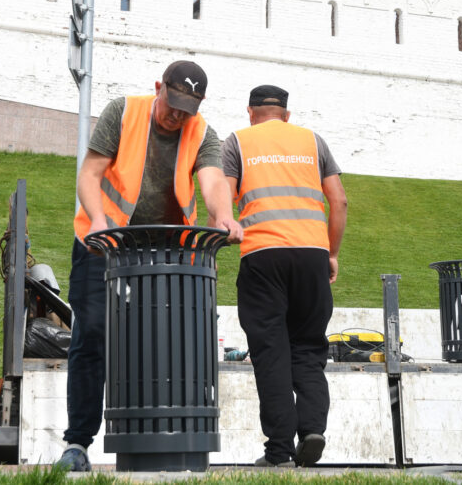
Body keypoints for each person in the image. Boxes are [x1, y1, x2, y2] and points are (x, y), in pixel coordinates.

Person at [56, 60, 244, 472]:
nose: (176, 117)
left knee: (160, 341)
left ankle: (162, 440)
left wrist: (224, 216)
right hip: (102, 245)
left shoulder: (202, 133)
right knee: (92, 336)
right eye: (171, 104)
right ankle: (77, 443)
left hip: (160, 255)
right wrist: (100, 222)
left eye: (185, 110)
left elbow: (212, 182)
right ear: (158, 86)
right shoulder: (122, 112)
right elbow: (90, 175)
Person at [221, 84, 347, 468]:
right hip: (312, 255)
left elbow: (223, 202)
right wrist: (332, 253)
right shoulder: (313, 140)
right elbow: (338, 200)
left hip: (263, 258)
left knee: (270, 353)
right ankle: (312, 430)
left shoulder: (237, 143)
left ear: (250, 111)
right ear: (286, 115)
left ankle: (278, 451)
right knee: (308, 349)